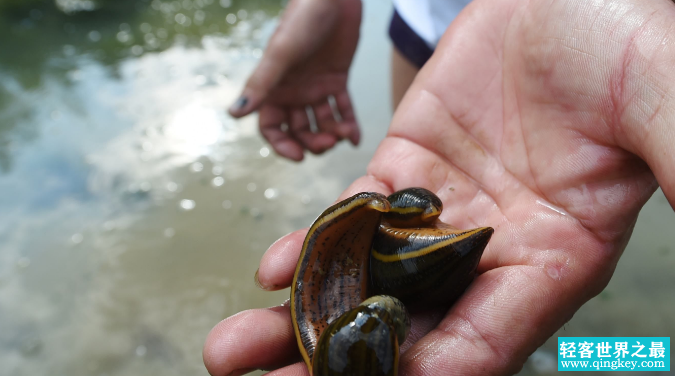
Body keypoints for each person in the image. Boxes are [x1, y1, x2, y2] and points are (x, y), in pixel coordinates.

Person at [205, 0, 675, 374]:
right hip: (430, 29)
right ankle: (566, 358)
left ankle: (582, 356)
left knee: (529, 315)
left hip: (527, 47)